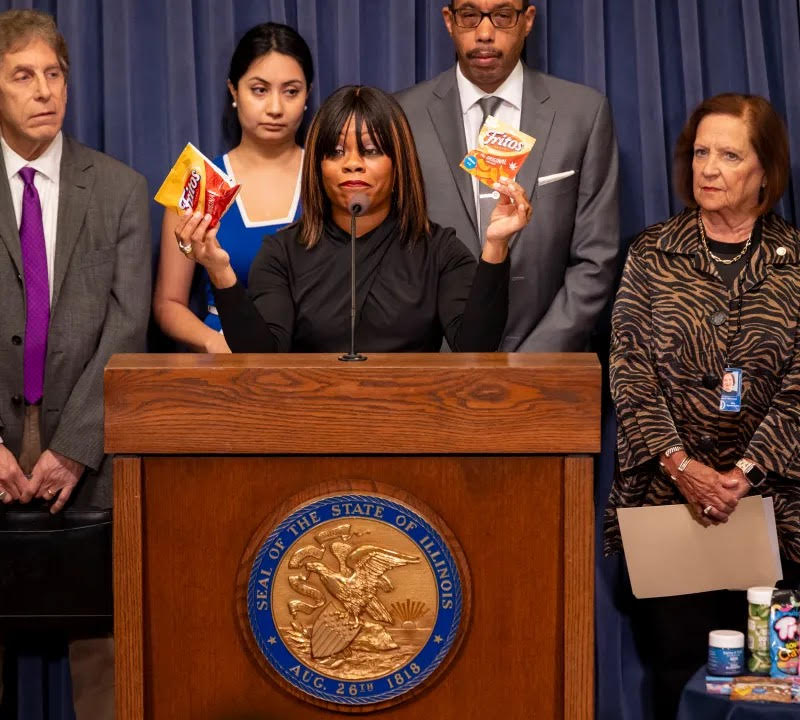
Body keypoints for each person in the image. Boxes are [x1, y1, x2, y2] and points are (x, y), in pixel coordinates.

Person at [603, 93, 800, 717]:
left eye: (729, 155)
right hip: (664, 498)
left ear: (766, 170)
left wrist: (741, 475)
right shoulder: (652, 253)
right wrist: (682, 466)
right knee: (674, 668)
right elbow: (629, 368)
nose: (709, 168)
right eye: (701, 152)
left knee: (759, 678)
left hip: (763, 506)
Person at [0, 9, 150, 718]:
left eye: (53, 74)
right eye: (22, 76)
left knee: (105, 644)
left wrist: (75, 446)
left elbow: (128, 326)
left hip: (89, 445)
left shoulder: (119, 189)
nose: (43, 91)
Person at [175, 85, 531, 352]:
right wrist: (221, 272)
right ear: (318, 166)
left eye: (372, 150)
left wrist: (496, 246)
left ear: (399, 163)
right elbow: (261, 358)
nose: (353, 163)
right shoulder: (281, 252)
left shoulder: (440, 250)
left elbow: (476, 348)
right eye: (335, 152)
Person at [396, 0, 618, 351]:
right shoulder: (402, 115)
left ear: (527, 20)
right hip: (437, 365)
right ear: (449, 21)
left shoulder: (583, 113)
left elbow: (595, 257)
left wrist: (536, 357)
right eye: (470, 15)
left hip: (546, 366)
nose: (485, 33)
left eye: (502, 15)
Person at [154, 23, 312, 352]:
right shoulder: (196, 181)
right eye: (259, 89)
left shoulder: (328, 177)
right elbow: (168, 303)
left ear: (307, 96)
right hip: (223, 365)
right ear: (233, 92)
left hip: (312, 363)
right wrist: (214, 343)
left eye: (291, 91)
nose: (275, 108)